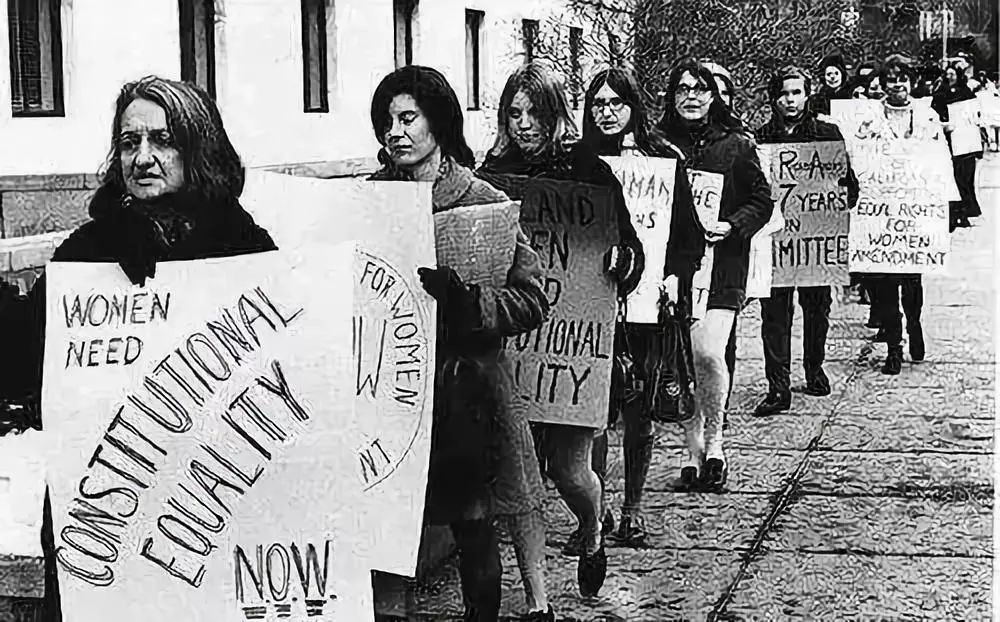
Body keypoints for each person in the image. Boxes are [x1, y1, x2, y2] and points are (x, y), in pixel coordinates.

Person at [0, 75, 277, 622]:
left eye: (162, 140)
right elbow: (28, 364)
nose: (143, 157)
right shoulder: (87, 251)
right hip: (103, 519)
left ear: (198, 149)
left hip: (205, 512)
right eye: (129, 142)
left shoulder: (246, 247)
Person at [367, 65, 553, 622]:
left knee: (475, 524)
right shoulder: (367, 201)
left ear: (439, 123)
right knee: (390, 532)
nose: (394, 132)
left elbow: (533, 297)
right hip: (391, 391)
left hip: (467, 390)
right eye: (386, 121)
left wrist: (469, 301)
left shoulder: (484, 199)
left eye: (407, 118)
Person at [476, 60, 644, 598]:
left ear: (555, 115)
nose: (523, 124)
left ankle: (592, 527)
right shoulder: (491, 173)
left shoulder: (588, 171)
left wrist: (623, 260)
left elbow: (631, 250)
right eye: (514, 112)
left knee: (571, 474)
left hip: (572, 354)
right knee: (521, 478)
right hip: (513, 348)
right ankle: (538, 594)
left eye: (534, 112)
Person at [581, 67, 704, 548]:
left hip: (647, 309)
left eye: (616, 103)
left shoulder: (662, 161)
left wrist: (672, 281)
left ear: (634, 106)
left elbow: (689, 240)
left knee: (638, 412)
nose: (607, 112)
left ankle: (632, 506)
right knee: (591, 414)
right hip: (591, 306)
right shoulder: (578, 162)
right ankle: (595, 510)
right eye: (598, 104)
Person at [656, 58, 774, 490]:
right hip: (672, 267)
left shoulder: (737, 145)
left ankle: (717, 438)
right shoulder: (657, 144)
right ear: (672, 96)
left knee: (707, 351)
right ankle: (691, 449)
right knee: (681, 357)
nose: (691, 97)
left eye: (700, 89)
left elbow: (763, 201)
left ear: (713, 96)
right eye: (683, 89)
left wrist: (733, 225)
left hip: (720, 264)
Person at [752, 66, 858, 416]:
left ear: (807, 95)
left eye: (796, 93)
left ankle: (814, 368)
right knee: (775, 316)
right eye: (783, 94)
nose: (790, 100)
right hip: (777, 243)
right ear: (773, 98)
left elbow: (850, 188)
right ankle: (778, 387)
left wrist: (838, 193)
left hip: (815, 243)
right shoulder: (761, 139)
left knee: (817, 311)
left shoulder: (828, 134)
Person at [861, 55, 945, 374]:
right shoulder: (869, 117)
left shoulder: (926, 116)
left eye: (902, 78)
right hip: (881, 211)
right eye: (890, 79)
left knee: (911, 280)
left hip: (913, 210)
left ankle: (914, 324)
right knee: (883, 284)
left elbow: (939, 160)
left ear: (911, 81)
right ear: (882, 85)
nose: (897, 84)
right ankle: (894, 346)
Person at [931, 62, 982, 229]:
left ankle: (966, 212)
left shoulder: (966, 93)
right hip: (948, 143)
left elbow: (975, 116)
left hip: (966, 144)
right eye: (948, 74)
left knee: (966, 179)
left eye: (953, 74)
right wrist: (943, 125)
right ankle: (954, 214)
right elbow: (933, 115)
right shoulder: (940, 94)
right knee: (952, 179)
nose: (949, 77)